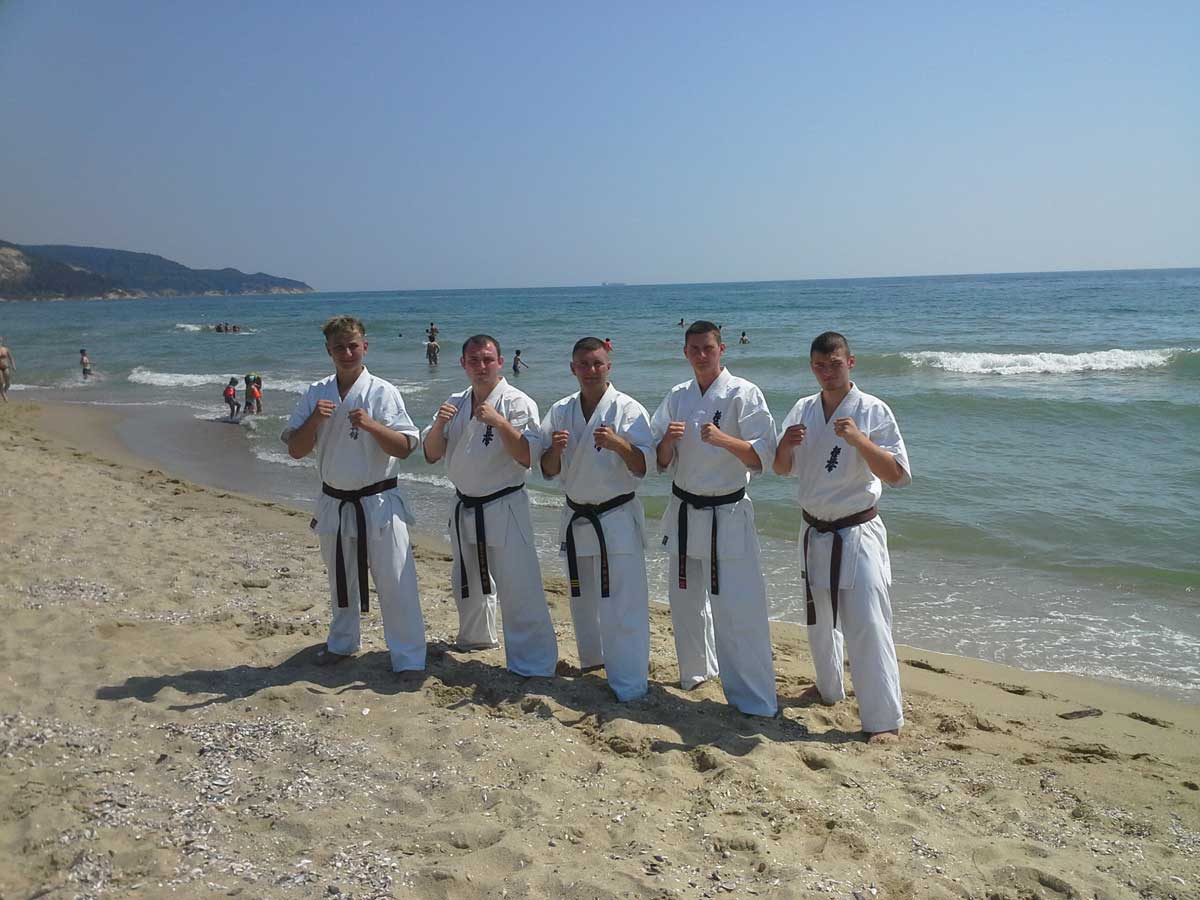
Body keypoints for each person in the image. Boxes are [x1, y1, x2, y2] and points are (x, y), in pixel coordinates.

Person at [773, 331, 911, 743]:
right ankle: (828, 688)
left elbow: (897, 474)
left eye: (834, 364)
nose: (827, 372)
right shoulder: (803, 409)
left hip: (857, 530)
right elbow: (781, 469)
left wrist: (859, 440)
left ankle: (883, 719)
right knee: (819, 619)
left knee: (868, 622)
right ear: (811, 367)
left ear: (851, 362)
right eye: (819, 366)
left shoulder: (872, 410)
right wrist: (785, 444)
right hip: (814, 528)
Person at [281, 315, 426, 672]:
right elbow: (296, 450)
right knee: (340, 580)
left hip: (380, 501)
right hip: (335, 501)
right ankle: (342, 643)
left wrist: (372, 425)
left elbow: (405, 447)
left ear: (365, 346)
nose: (347, 353)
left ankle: (408, 658)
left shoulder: (382, 391)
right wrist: (314, 420)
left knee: (396, 581)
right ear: (328, 351)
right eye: (339, 348)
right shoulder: (316, 392)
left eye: (353, 346)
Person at [650, 321, 778, 716]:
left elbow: (764, 457)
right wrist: (667, 441)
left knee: (737, 608)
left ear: (722, 349)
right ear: (685, 352)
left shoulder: (743, 393)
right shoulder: (678, 395)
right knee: (685, 601)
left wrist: (724, 440)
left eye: (708, 348)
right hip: (685, 509)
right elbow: (658, 460)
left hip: (727, 512)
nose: (701, 355)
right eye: (694, 349)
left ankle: (753, 697)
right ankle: (696, 673)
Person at [422, 334, 557, 677]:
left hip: (505, 504)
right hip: (464, 504)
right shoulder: (455, 401)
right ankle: (476, 638)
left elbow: (528, 457)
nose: (481, 366)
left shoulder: (518, 403)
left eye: (487, 360)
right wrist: (439, 424)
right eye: (474, 360)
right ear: (463, 364)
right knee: (466, 578)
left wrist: (499, 422)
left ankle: (533, 662)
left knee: (519, 585)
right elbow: (431, 453)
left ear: (499, 362)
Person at [540, 337, 653, 701]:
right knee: (583, 601)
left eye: (597, 364)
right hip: (577, 516)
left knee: (624, 605)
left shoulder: (628, 409)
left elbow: (644, 467)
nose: (591, 370)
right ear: (572, 368)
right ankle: (593, 664)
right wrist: (554, 450)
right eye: (584, 364)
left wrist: (620, 444)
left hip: (616, 517)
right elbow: (546, 469)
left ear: (609, 366)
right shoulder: (560, 410)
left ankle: (630, 683)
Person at [0, 337, 13, 402]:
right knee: (1, 382)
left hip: (6, 367)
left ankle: (3, 392)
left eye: (0, 341)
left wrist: (13, 366)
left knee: (8, 383)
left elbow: (11, 358)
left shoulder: (5, 349)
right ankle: (4, 396)